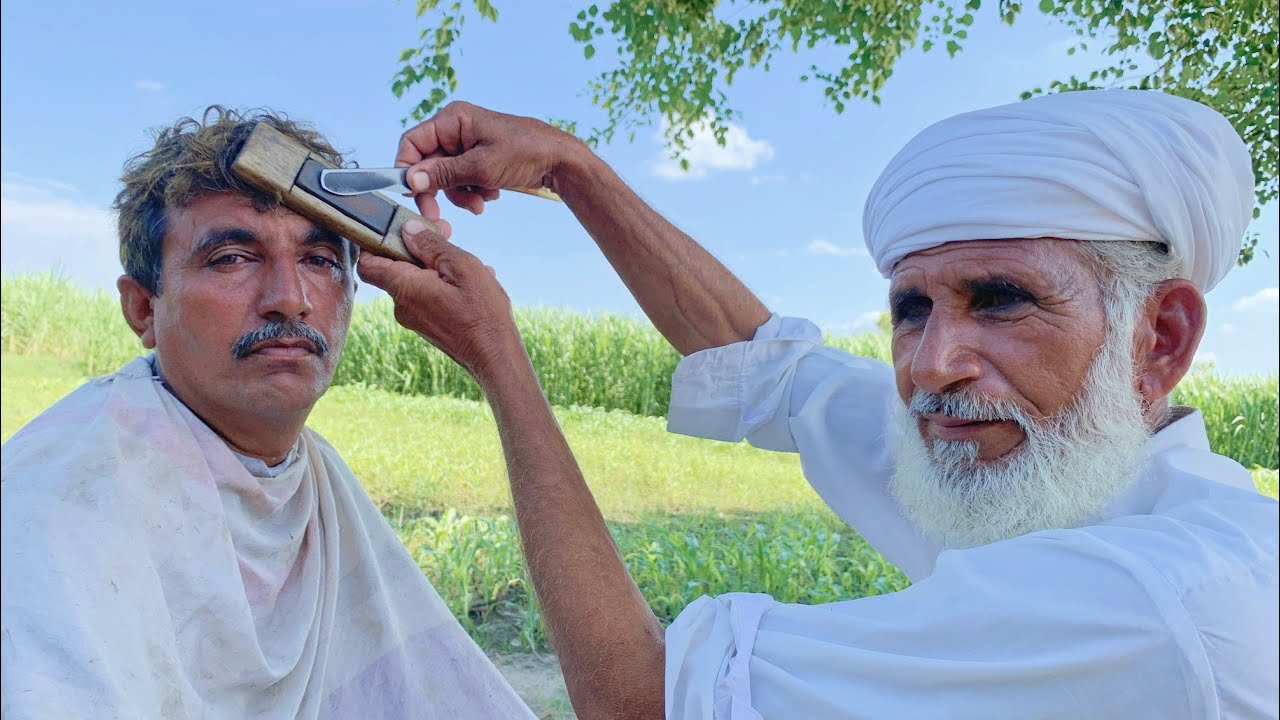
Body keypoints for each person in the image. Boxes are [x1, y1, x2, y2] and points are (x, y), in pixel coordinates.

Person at [355, 90, 1279, 719]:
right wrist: (570, 171)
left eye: (1003, 300)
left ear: (1158, 339)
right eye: (912, 308)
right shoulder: (1032, 456)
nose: (933, 366)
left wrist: (500, 365)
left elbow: (649, 701)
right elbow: (771, 372)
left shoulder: (1160, 603)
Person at [0, 108, 535, 719]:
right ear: (143, 308)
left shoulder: (314, 478)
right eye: (232, 257)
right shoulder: (58, 505)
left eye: (320, 261)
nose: (291, 298)